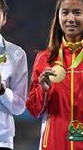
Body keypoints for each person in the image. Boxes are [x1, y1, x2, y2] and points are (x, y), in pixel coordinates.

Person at [26, 0, 83, 150]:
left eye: (77, 12)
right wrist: (43, 89)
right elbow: (33, 110)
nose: (70, 18)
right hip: (52, 145)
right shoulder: (45, 59)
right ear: (58, 17)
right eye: (65, 12)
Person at [0, 0, 28, 150]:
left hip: (2, 142)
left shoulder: (16, 54)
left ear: (3, 18)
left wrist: (2, 91)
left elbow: (19, 108)